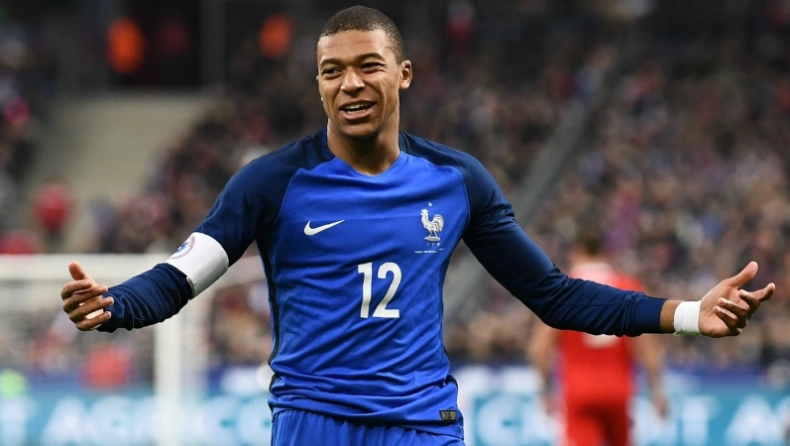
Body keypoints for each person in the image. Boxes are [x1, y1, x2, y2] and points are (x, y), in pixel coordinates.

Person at [60, 6, 774, 446]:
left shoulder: (456, 180)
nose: (350, 83)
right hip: (313, 424)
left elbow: (554, 296)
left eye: (367, 66)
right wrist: (117, 304)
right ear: (318, 84)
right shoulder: (271, 183)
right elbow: (183, 276)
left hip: (420, 426)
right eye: (332, 71)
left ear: (403, 74)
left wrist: (687, 314)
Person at [529, 229, 667, 446]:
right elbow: (648, 349)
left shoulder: (562, 289)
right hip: (619, 391)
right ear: (606, 252)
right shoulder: (629, 286)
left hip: (579, 392)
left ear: (576, 251)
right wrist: (657, 392)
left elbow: (539, 349)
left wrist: (545, 392)